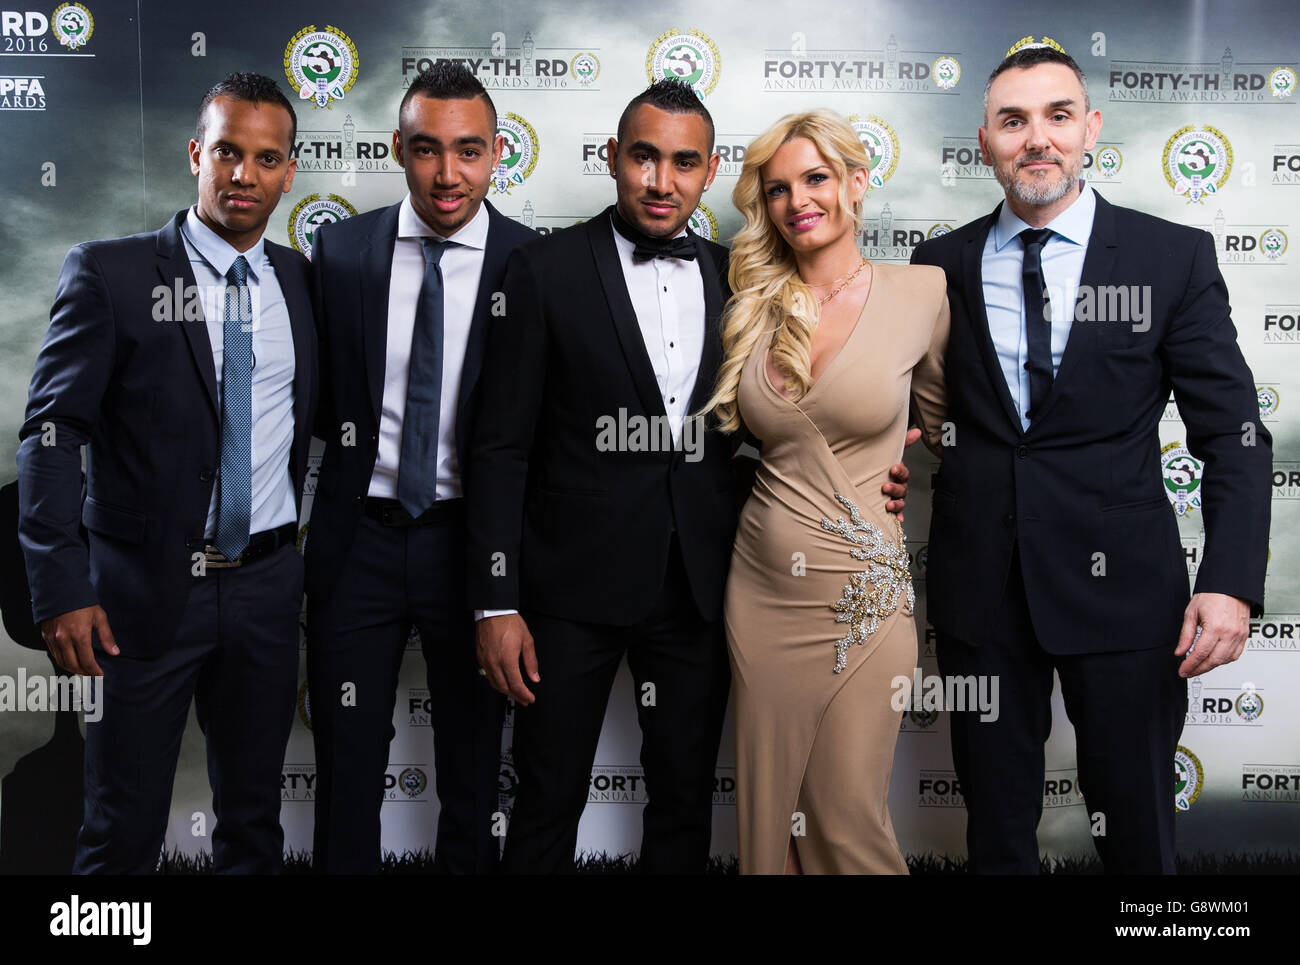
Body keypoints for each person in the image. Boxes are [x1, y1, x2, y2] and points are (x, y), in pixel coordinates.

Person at [468, 80, 917, 874]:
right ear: (613, 159)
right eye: (643, 157)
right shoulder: (542, 270)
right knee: (545, 798)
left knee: (682, 803)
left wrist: (882, 466)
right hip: (568, 590)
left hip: (707, 586)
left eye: (682, 162)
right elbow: (499, 446)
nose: (660, 180)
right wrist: (496, 600)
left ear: (709, 172)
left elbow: (799, 416)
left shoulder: (743, 283)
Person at [910, 42, 1272, 874]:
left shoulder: (1169, 257)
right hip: (982, 593)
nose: (1037, 138)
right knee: (996, 832)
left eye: (1057, 115)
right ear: (985, 141)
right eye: (1013, 120)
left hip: (1129, 599)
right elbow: (904, 409)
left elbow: (1235, 434)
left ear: (1090, 129)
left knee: (1138, 831)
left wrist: (1228, 581)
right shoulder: (939, 267)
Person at [17, 72, 316, 873]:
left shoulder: (303, 282)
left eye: (265, 158)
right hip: (137, 595)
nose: (243, 176)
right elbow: (51, 430)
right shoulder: (112, 275)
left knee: (254, 822)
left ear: (291, 171)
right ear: (195, 154)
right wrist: (62, 586)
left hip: (266, 589)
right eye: (227, 152)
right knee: (122, 828)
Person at [700, 110, 948, 875]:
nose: (798, 200)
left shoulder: (923, 292)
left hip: (864, 597)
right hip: (761, 592)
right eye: (777, 189)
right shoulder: (751, 300)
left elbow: (950, 429)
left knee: (845, 821)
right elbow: (733, 444)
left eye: (815, 178)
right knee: (773, 823)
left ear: (855, 181)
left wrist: (900, 471)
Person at [305, 62, 534, 874]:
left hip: (470, 551)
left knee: (474, 776)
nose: (447, 174)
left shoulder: (531, 263)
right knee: (347, 767)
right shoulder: (336, 252)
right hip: (356, 543)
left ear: (498, 152)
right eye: (427, 149)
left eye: (468, 151)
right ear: (398, 148)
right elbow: (296, 399)